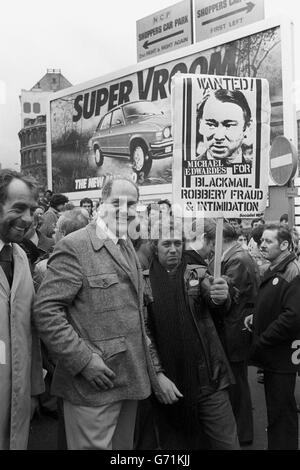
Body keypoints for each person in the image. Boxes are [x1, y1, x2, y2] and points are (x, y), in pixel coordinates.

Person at [33, 176, 159, 450]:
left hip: (129, 379)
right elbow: (46, 311)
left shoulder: (126, 245)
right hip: (93, 384)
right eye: (117, 203)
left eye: (132, 204)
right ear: (101, 205)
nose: (125, 210)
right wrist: (83, 361)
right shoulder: (75, 245)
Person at [143, 219, 239, 450]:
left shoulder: (196, 274)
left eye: (178, 243)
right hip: (169, 384)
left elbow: (218, 301)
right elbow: (143, 333)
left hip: (209, 379)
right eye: (167, 244)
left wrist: (223, 295)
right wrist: (157, 374)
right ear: (155, 247)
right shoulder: (143, 283)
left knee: (227, 444)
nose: (174, 249)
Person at [245, 224, 300, 450]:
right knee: (276, 410)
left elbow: (292, 316)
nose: (262, 245)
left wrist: (262, 340)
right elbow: (274, 303)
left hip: (281, 354)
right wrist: (255, 316)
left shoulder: (292, 271)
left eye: (269, 241)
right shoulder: (276, 267)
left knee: (281, 413)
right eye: (262, 241)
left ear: (285, 245)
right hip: (274, 353)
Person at [0, 169, 44, 450]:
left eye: (31, 209)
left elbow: (30, 330)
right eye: (18, 209)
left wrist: (34, 389)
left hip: (16, 395)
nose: (28, 219)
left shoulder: (20, 257)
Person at [209, 223, 258, 445]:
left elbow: (232, 298)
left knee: (238, 384)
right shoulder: (235, 256)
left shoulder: (237, 259)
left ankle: (243, 434)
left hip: (235, 328)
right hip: (234, 326)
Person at [196, 89, 252, 167]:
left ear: (246, 128)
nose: (219, 137)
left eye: (228, 125)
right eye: (211, 125)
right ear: (201, 125)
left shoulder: (258, 168)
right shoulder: (186, 169)